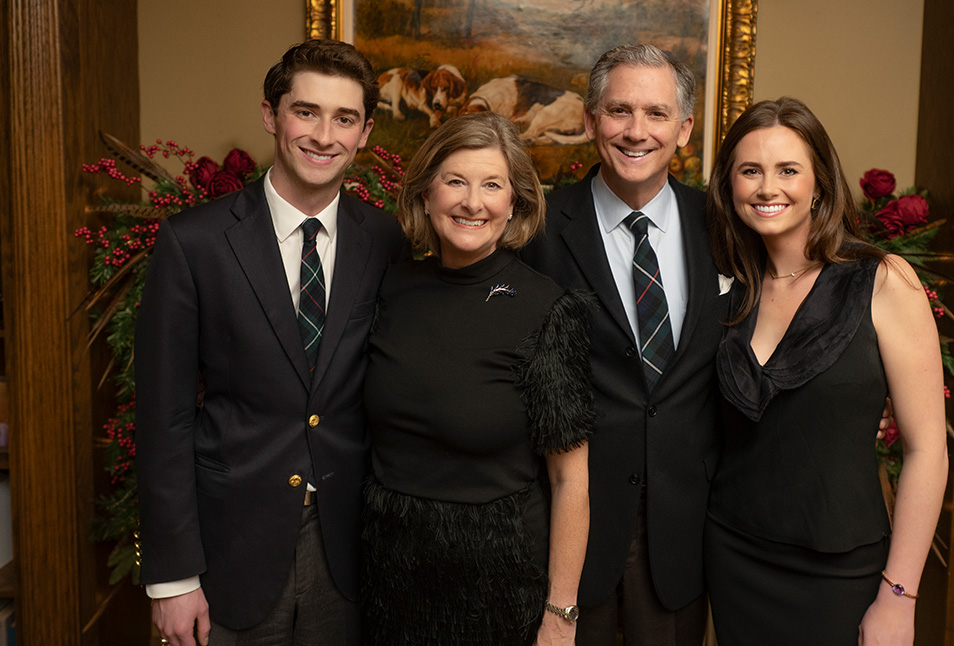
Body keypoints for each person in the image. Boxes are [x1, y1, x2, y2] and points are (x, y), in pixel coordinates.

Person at [134, 39, 403, 645]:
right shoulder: (193, 243)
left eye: (345, 118)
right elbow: (163, 419)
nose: (324, 135)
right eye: (306, 111)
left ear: (364, 134)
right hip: (231, 551)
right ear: (271, 116)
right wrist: (173, 577)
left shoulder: (386, 241)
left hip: (350, 551)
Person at [703, 97, 948, 645]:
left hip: (841, 570)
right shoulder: (727, 286)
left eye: (788, 170)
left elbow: (927, 451)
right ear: (730, 186)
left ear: (818, 183)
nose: (769, 188)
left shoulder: (883, 281)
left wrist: (898, 597)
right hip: (733, 556)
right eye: (750, 171)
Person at [361, 111, 594, 645]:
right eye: (455, 181)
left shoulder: (548, 310)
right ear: (425, 193)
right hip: (387, 582)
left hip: (500, 588)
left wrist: (561, 615)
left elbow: (570, 479)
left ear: (514, 202)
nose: (473, 202)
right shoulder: (390, 288)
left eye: (492, 184)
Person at [521, 44, 726, 646]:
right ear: (589, 121)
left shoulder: (725, 225)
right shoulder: (535, 229)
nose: (637, 132)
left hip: (683, 535)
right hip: (565, 536)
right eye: (619, 111)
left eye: (657, 114)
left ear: (684, 129)